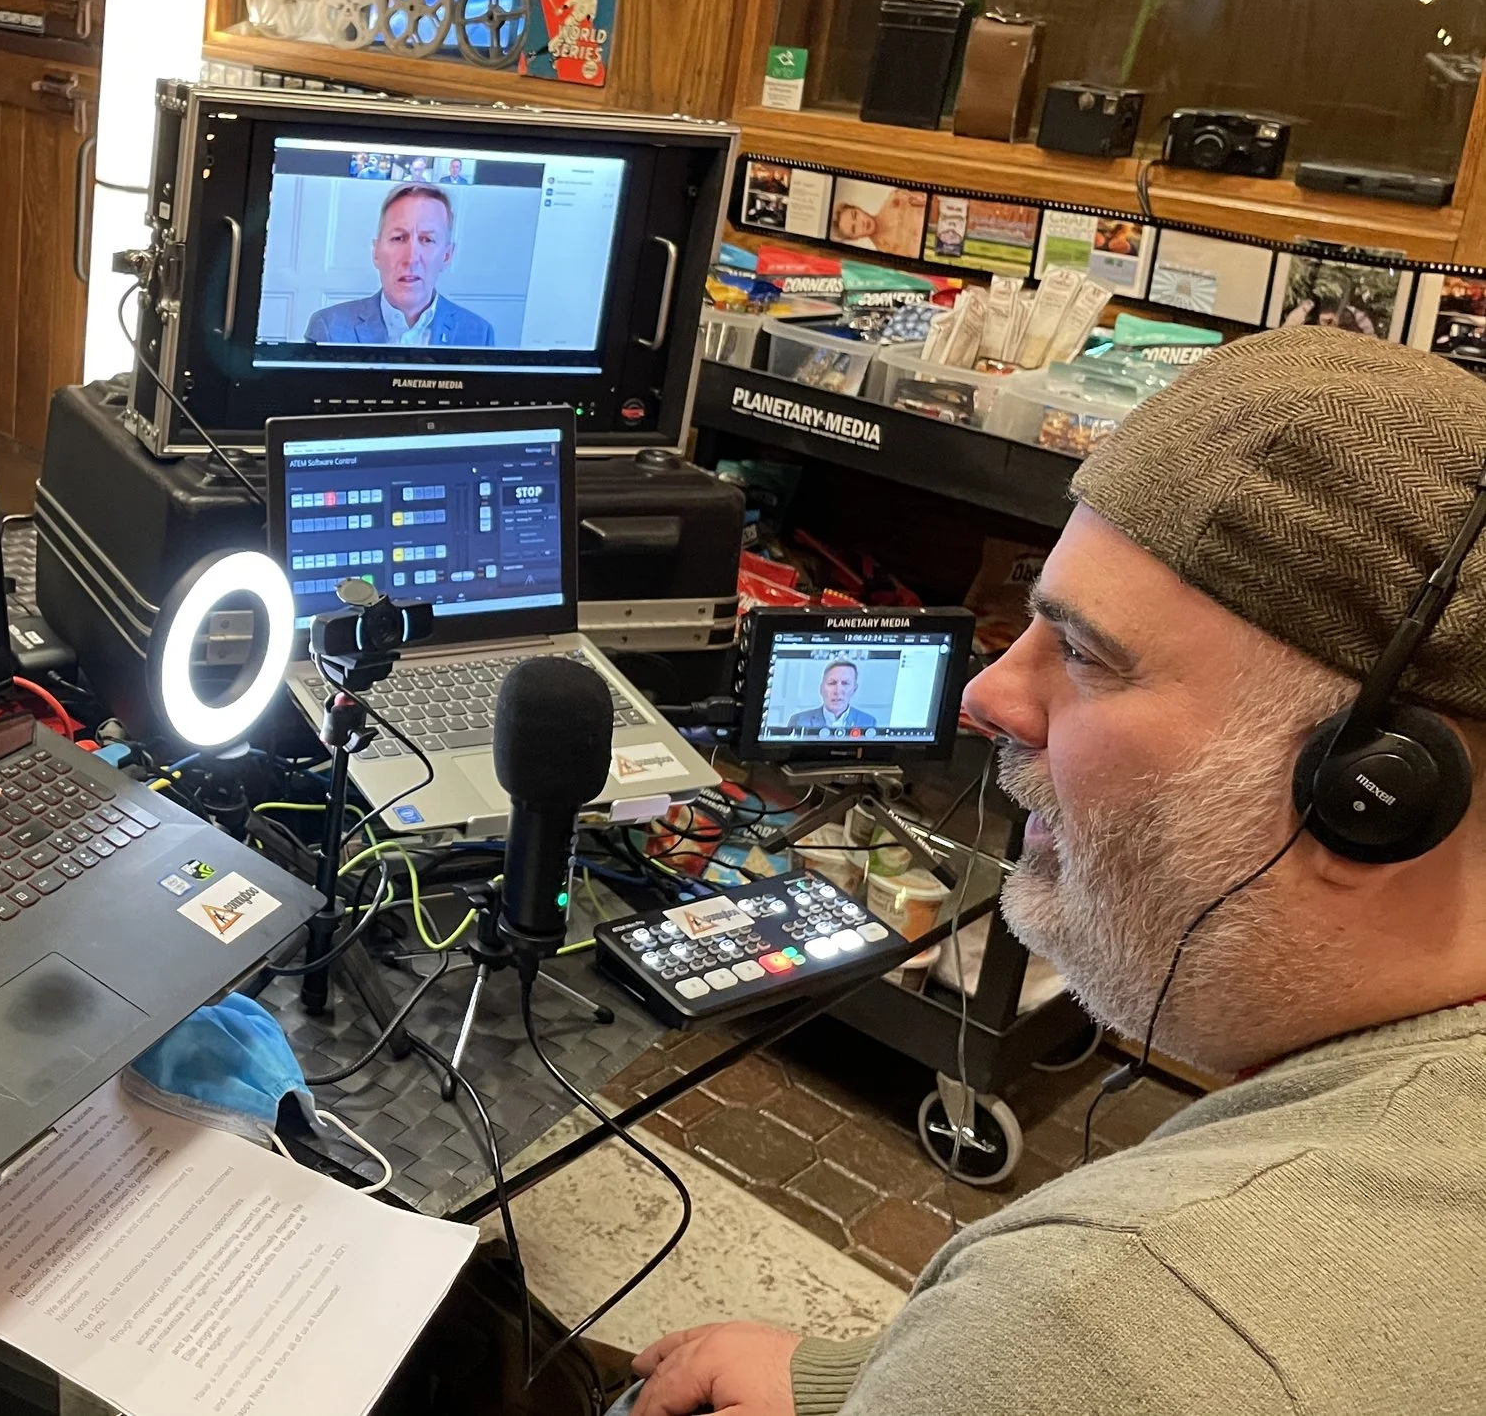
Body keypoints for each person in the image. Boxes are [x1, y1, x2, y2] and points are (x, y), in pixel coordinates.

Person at [629, 329, 1486, 1416]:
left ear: (1370, 792)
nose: (987, 694)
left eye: (1082, 653)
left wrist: (996, 1363)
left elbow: (1094, 1357)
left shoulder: (1119, 1318)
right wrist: (880, 1383)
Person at [305, 183, 497, 347]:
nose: (411, 258)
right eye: (398, 238)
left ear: (446, 255)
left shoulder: (479, 334)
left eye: (427, 240)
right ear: (376, 252)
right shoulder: (328, 328)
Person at [783, 657, 875, 734]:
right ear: (821, 689)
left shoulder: (868, 722)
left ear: (854, 689)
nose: (838, 691)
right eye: (832, 683)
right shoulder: (799, 720)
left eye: (845, 683)